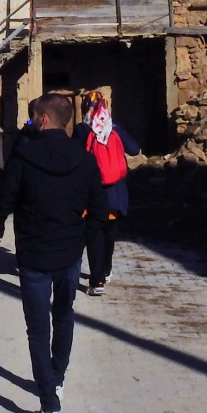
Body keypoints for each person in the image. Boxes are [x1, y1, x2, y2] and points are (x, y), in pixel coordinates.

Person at [0, 93, 106, 413]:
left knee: (38, 329)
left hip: (34, 254)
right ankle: (57, 378)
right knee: (64, 316)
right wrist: (82, 238)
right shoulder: (84, 160)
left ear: (42, 119)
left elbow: (3, 199)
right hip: (69, 254)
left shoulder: (24, 155)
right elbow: (99, 209)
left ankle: (49, 407)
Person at [72, 92, 140, 297]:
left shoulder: (82, 129)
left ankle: (97, 280)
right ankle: (106, 270)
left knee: (94, 235)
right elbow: (135, 149)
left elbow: (75, 157)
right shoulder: (114, 128)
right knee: (109, 233)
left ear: (86, 107)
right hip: (116, 193)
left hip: (93, 193)